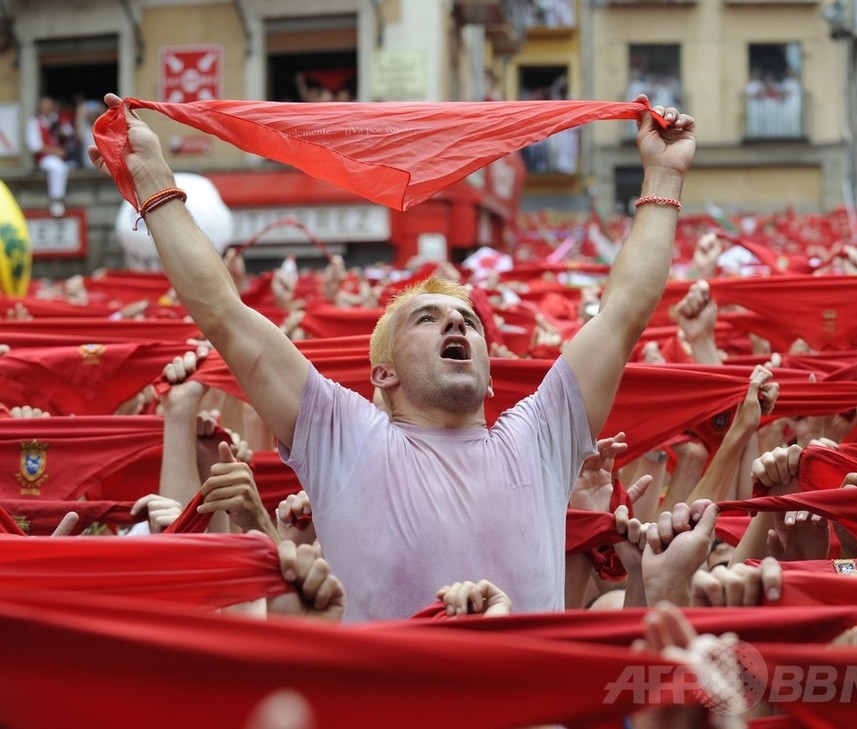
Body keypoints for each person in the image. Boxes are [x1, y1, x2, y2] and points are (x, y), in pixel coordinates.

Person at [88, 92, 696, 621]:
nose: (457, 321)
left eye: (469, 322)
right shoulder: (344, 437)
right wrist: (151, 178)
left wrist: (664, 179)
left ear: (488, 378)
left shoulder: (541, 437)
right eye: (426, 319)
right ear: (384, 373)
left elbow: (623, 313)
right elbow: (225, 315)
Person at [26, 96, 76, 217]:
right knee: (58, 168)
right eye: (45, 107)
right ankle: (56, 200)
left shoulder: (57, 120)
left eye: (50, 107)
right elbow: (35, 146)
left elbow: (70, 131)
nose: (48, 110)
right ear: (40, 109)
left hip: (61, 157)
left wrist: (61, 132)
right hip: (44, 158)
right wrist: (55, 151)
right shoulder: (34, 123)